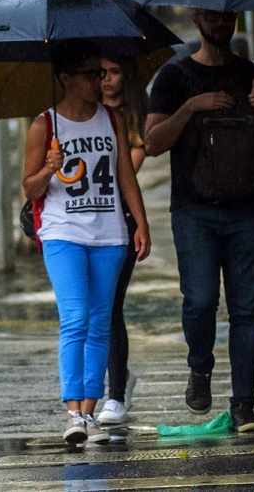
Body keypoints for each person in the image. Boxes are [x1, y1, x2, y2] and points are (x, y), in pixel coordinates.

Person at [145, 8, 254, 432]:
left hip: (247, 210)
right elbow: (153, 142)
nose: (222, 22)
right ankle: (200, 367)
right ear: (197, 19)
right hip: (194, 211)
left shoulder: (253, 75)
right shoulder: (173, 79)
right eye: (213, 16)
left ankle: (244, 404)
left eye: (229, 15)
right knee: (199, 300)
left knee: (246, 312)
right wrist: (192, 107)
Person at [23, 43, 151, 445]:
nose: (100, 81)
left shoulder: (113, 120)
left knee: (99, 324)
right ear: (65, 78)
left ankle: (90, 414)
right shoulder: (44, 125)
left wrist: (141, 223)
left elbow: (125, 174)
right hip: (64, 234)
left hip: (110, 235)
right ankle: (71, 412)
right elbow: (30, 188)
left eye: (101, 73)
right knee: (75, 319)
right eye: (90, 74)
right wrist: (48, 167)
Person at [95, 56, 148, 425]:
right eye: (100, 73)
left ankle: (115, 395)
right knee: (89, 311)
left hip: (120, 222)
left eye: (115, 71)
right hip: (81, 225)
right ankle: (119, 379)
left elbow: (125, 172)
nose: (107, 79)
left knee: (111, 307)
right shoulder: (82, 114)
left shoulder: (131, 117)